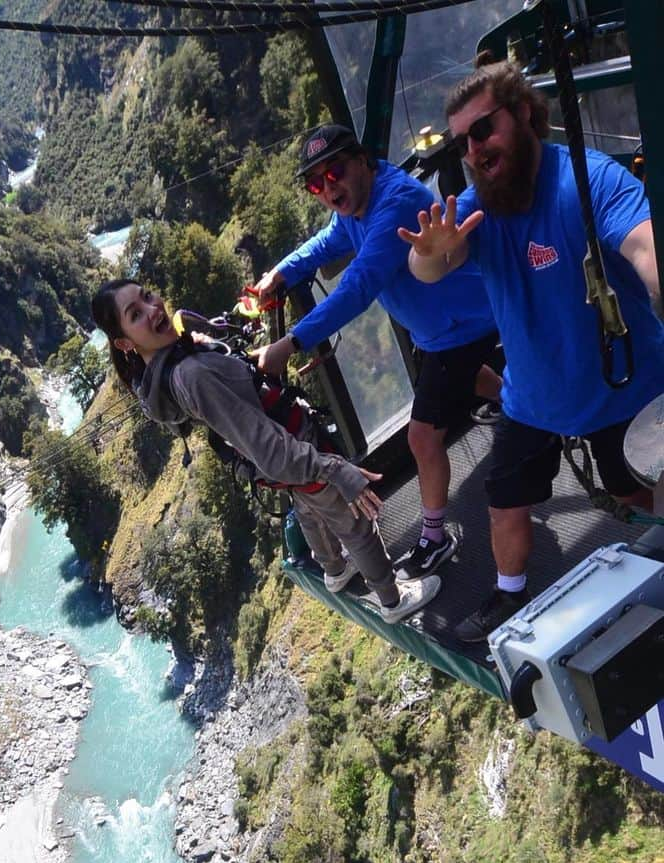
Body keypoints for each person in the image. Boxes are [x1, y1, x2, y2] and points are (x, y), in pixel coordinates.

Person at [400, 61, 664, 641]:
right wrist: (429, 254)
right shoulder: (478, 208)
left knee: (630, 485)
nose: (473, 149)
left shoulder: (586, 183)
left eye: (483, 129)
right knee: (504, 504)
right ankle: (509, 596)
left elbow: (645, 247)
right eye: (463, 141)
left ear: (522, 113)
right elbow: (430, 264)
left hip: (620, 385)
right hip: (532, 398)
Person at [90, 278, 440, 623]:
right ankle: (392, 600)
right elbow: (269, 447)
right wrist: (333, 468)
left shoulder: (164, 369)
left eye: (148, 296)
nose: (153, 309)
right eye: (135, 313)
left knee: (309, 506)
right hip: (295, 452)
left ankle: (334, 568)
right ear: (124, 342)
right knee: (355, 523)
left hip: (285, 462)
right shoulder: (190, 374)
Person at [253, 122, 502, 582]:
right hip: (444, 329)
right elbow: (328, 242)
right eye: (316, 183)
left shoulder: (395, 205)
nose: (329, 188)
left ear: (363, 159)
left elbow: (357, 286)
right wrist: (281, 273)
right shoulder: (356, 207)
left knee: (422, 438)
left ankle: (434, 538)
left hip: (462, 325)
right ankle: (513, 405)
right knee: (459, 376)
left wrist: (291, 343)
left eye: (336, 172)